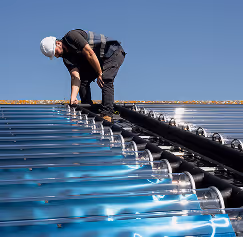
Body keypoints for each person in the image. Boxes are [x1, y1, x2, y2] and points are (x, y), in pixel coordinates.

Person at [40, 29, 126, 122]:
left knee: (105, 79)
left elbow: (89, 52)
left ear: (58, 43)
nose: (56, 56)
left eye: (55, 52)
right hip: (98, 60)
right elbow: (75, 76)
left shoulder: (72, 36)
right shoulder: (66, 58)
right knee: (83, 81)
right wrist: (73, 98)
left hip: (112, 52)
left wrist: (99, 73)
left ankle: (107, 115)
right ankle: (88, 110)